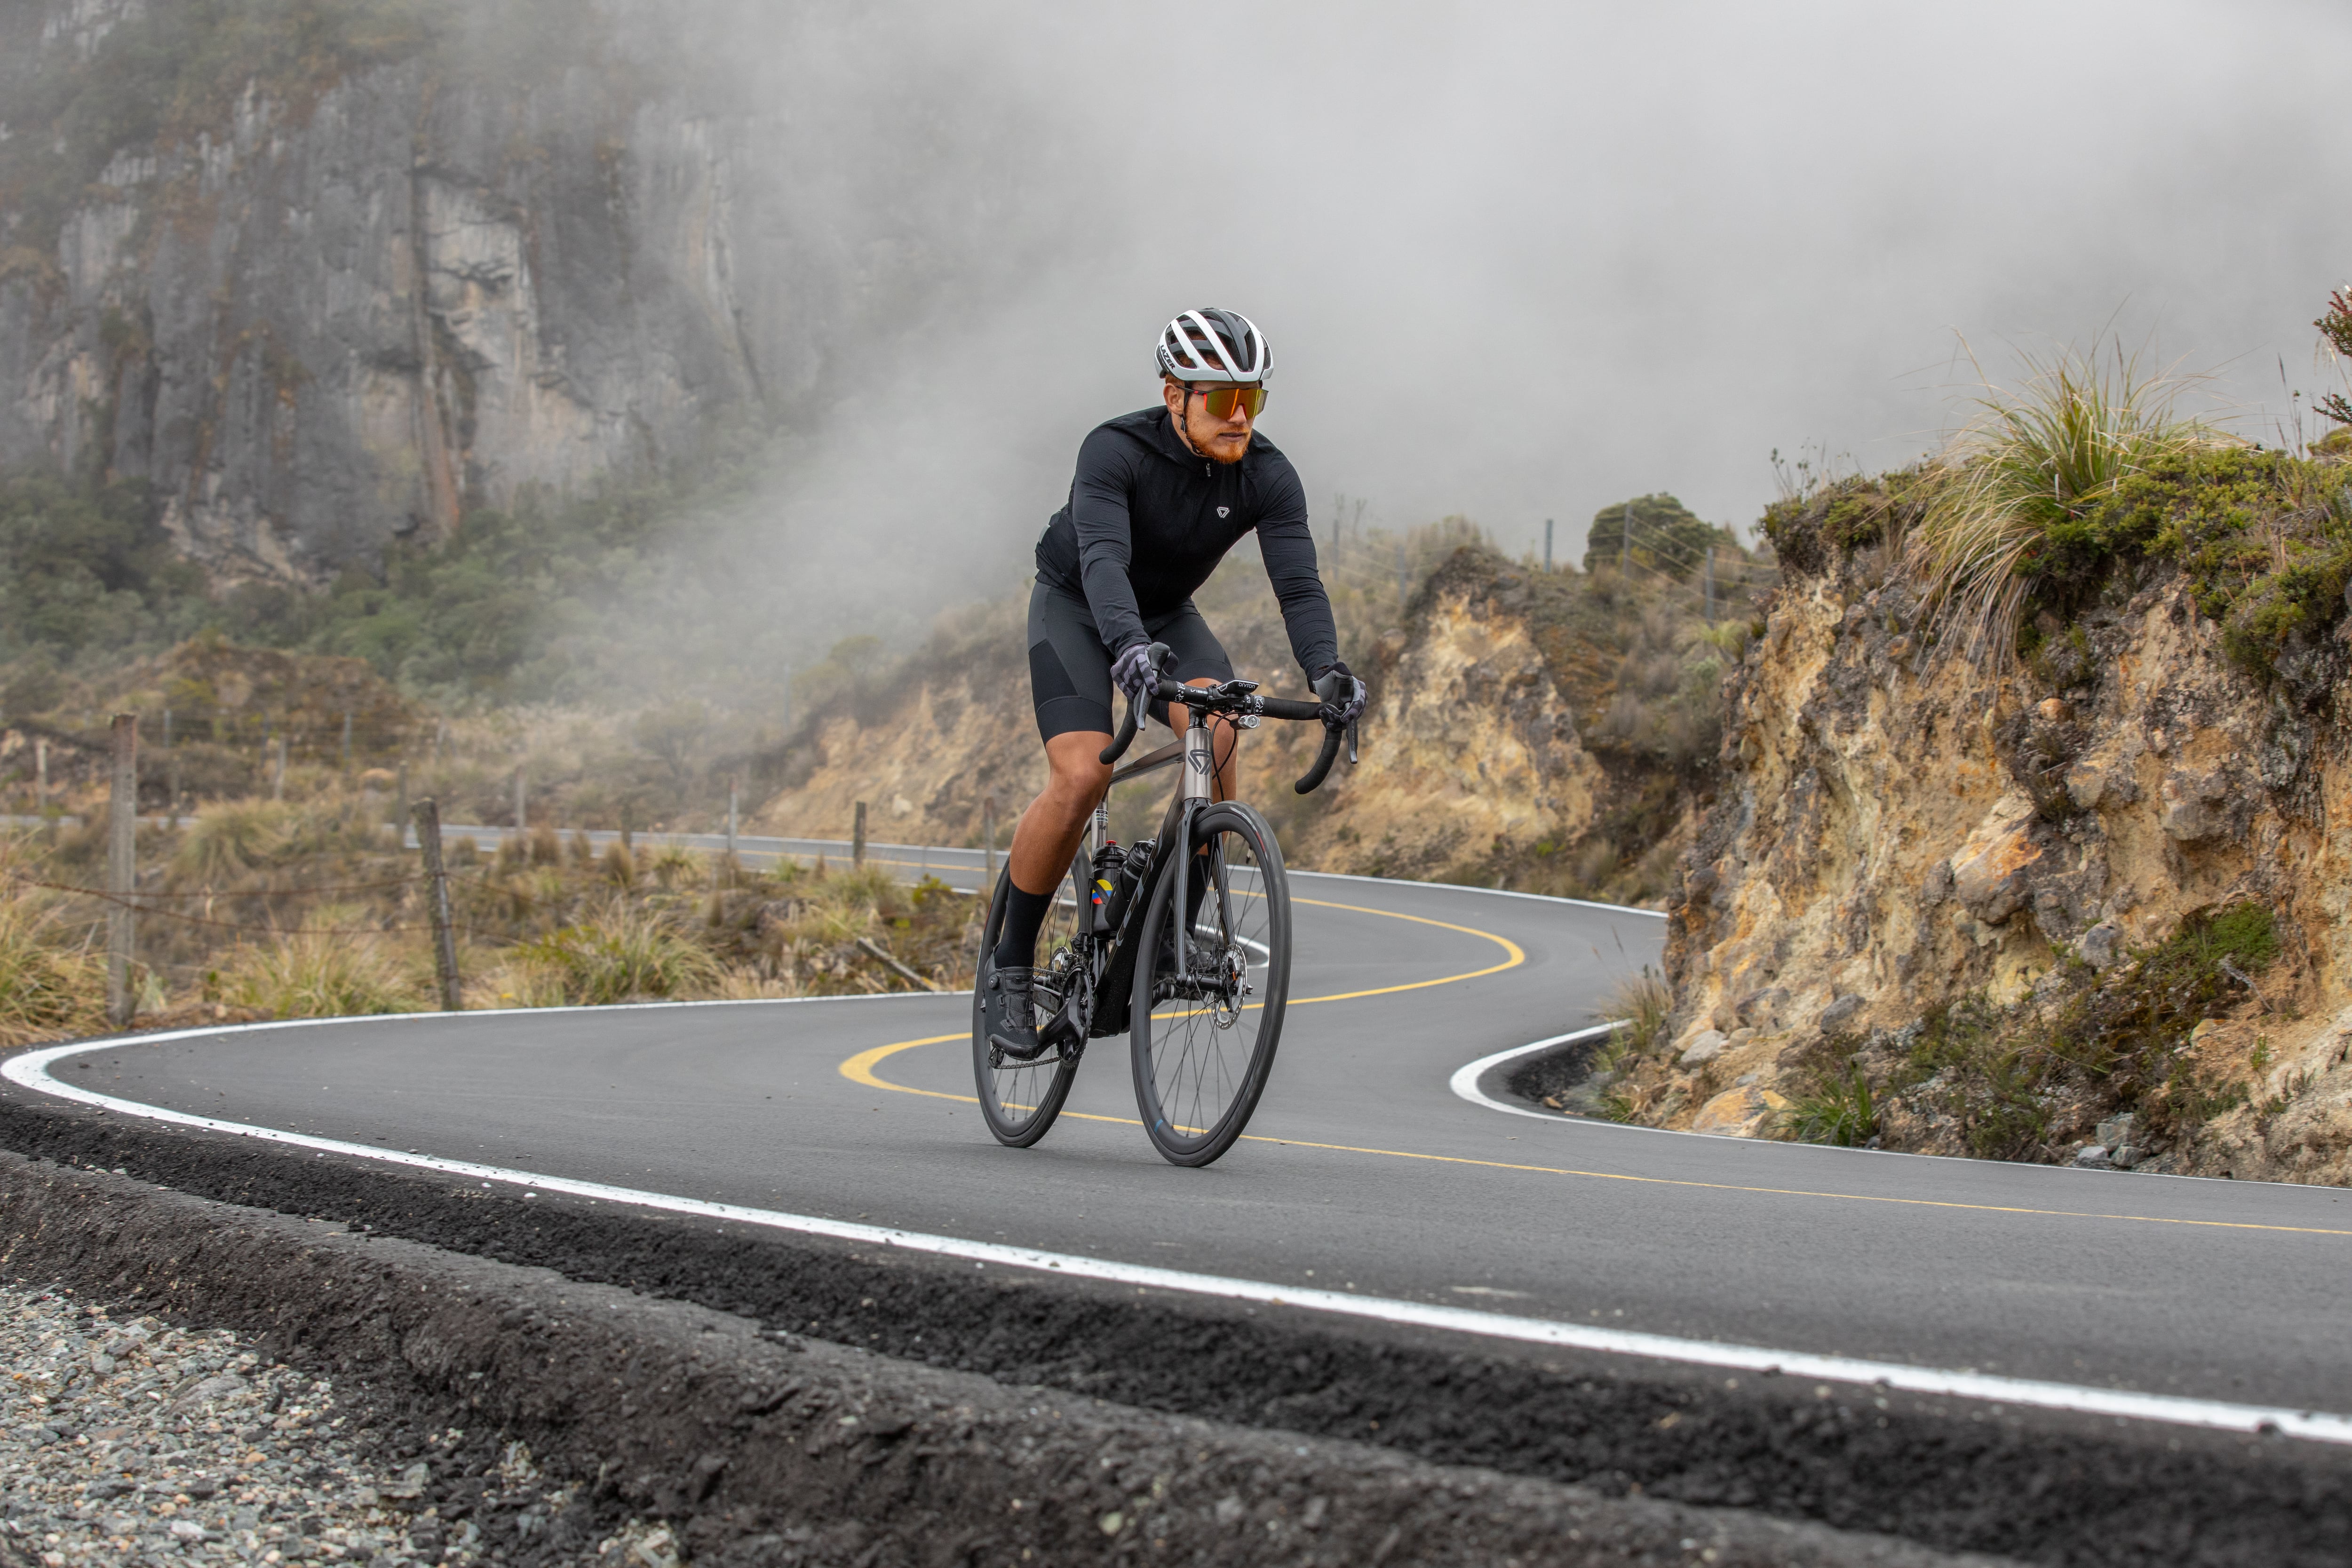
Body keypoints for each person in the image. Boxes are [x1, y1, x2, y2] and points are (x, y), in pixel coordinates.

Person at [982, 307, 1367, 1058]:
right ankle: (1010, 970)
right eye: (1221, 399)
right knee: (1082, 775)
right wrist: (1126, 646)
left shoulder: (1268, 475)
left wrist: (1329, 669)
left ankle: (1170, 931)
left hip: (1164, 616)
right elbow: (1101, 561)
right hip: (1078, 605)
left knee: (1220, 726)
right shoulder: (1113, 451)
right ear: (1174, 395)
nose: (1239, 416)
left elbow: (1299, 584)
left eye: (1252, 399)